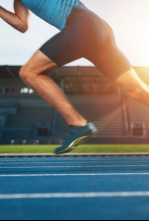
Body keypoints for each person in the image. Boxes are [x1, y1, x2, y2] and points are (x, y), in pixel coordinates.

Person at [1, 0, 149, 154]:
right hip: (96, 28)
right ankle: (78, 124)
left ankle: (78, 124)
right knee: (137, 89)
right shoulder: (19, 1)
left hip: (83, 26)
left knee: (29, 73)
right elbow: (21, 24)